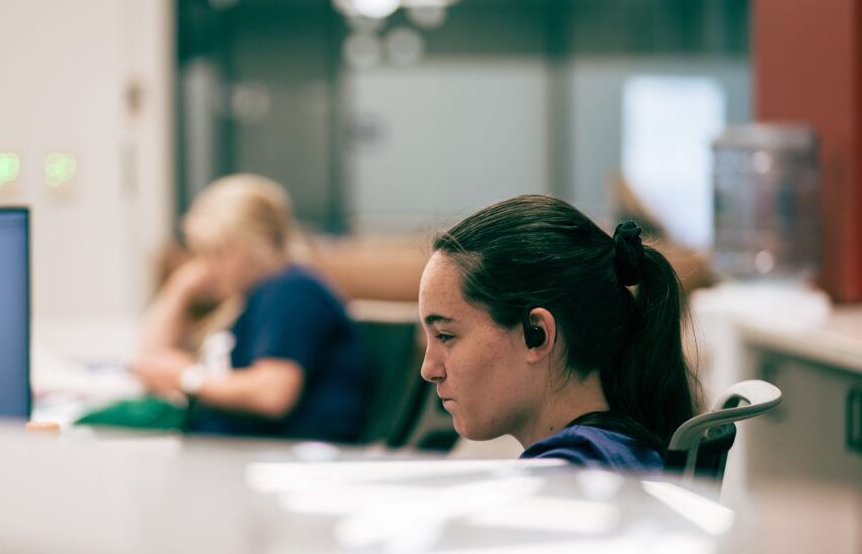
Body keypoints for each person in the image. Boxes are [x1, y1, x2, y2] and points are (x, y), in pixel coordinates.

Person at [419, 194, 699, 471]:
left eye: (445, 335)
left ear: (536, 334)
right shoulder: (620, 454)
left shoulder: (566, 477)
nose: (429, 370)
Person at [131, 174, 369, 443]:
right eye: (201, 254)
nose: (207, 268)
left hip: (285, 451)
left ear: (263, 245)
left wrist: (188, 377)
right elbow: (149, 364)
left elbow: (273, 395)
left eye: (218, 253)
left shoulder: (292, 291)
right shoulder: (249, 298)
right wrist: (180, 287)